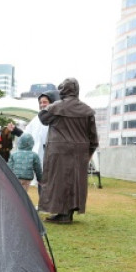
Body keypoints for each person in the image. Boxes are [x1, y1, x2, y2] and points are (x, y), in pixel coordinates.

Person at [37, 78, 99, 224]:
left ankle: (63, 213)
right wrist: (88, 153)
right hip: (80, 152)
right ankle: (67, 213)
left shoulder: (56, 107)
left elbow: (43, 117)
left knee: (58, 181)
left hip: (59, 151)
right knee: (75, 183)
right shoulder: (87, 111)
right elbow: (93, 137)